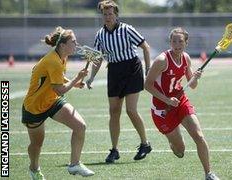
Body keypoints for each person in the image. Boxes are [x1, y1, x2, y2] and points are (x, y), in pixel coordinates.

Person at [144, 27, 220, 180]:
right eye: (174, 41)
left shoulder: (186, 58)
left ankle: (208, 174)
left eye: (180, 41)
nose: (177, 44)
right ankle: (173, 141)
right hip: (162, 109)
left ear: (186, 43)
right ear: (170, 42)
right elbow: (147, 85)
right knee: (180, 151)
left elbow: (192, 85)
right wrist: (167, 100)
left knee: (199, 136)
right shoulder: (162, 60)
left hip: (180, 102)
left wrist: (195, 77)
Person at [22, 26, 94, 180]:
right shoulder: (53, 61)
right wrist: (77, 78)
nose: (77, 44)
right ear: (62, 45)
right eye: (73, 42)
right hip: (35, 107)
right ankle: (34, 168)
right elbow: (59, 89)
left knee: (80, 126)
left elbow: (59, 77)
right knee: (37, 145)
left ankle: (74, 164)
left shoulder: (62, 56)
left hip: (52, 101)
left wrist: (74, 83)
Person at [86, 0, 152, 163]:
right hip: (114, 71)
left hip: (131, 69)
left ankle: (145, 143)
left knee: (131, 110)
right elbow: (97, 58)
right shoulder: (100, 35)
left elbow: (146, 47)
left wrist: (148, 69)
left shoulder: (127, 29)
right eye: (105, 14)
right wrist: (91, 77)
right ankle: (114, 150)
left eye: (110, 14)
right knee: (114, 111)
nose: (107, 17)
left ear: (116, 15)